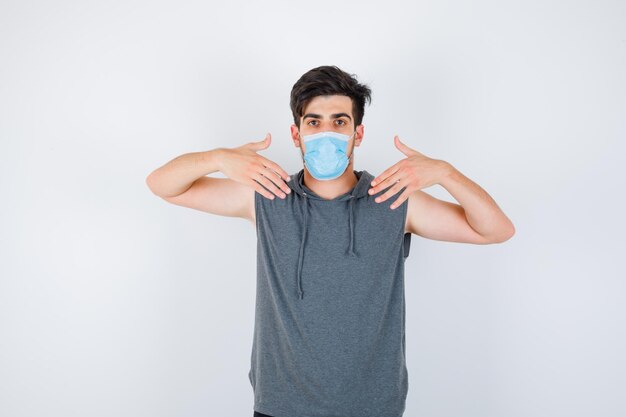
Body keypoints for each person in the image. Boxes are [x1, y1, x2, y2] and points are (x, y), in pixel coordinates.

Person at [146, 65, 515, 417]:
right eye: (313, 122)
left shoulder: (394, 199)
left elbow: (496, 230)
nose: (327, 133)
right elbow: (162, 185)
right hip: (281, 406)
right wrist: (218, 159)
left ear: (358, 133)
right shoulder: (266, 196)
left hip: (373, 408)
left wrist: (446, 173)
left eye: (339, 121)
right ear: (297, 134)